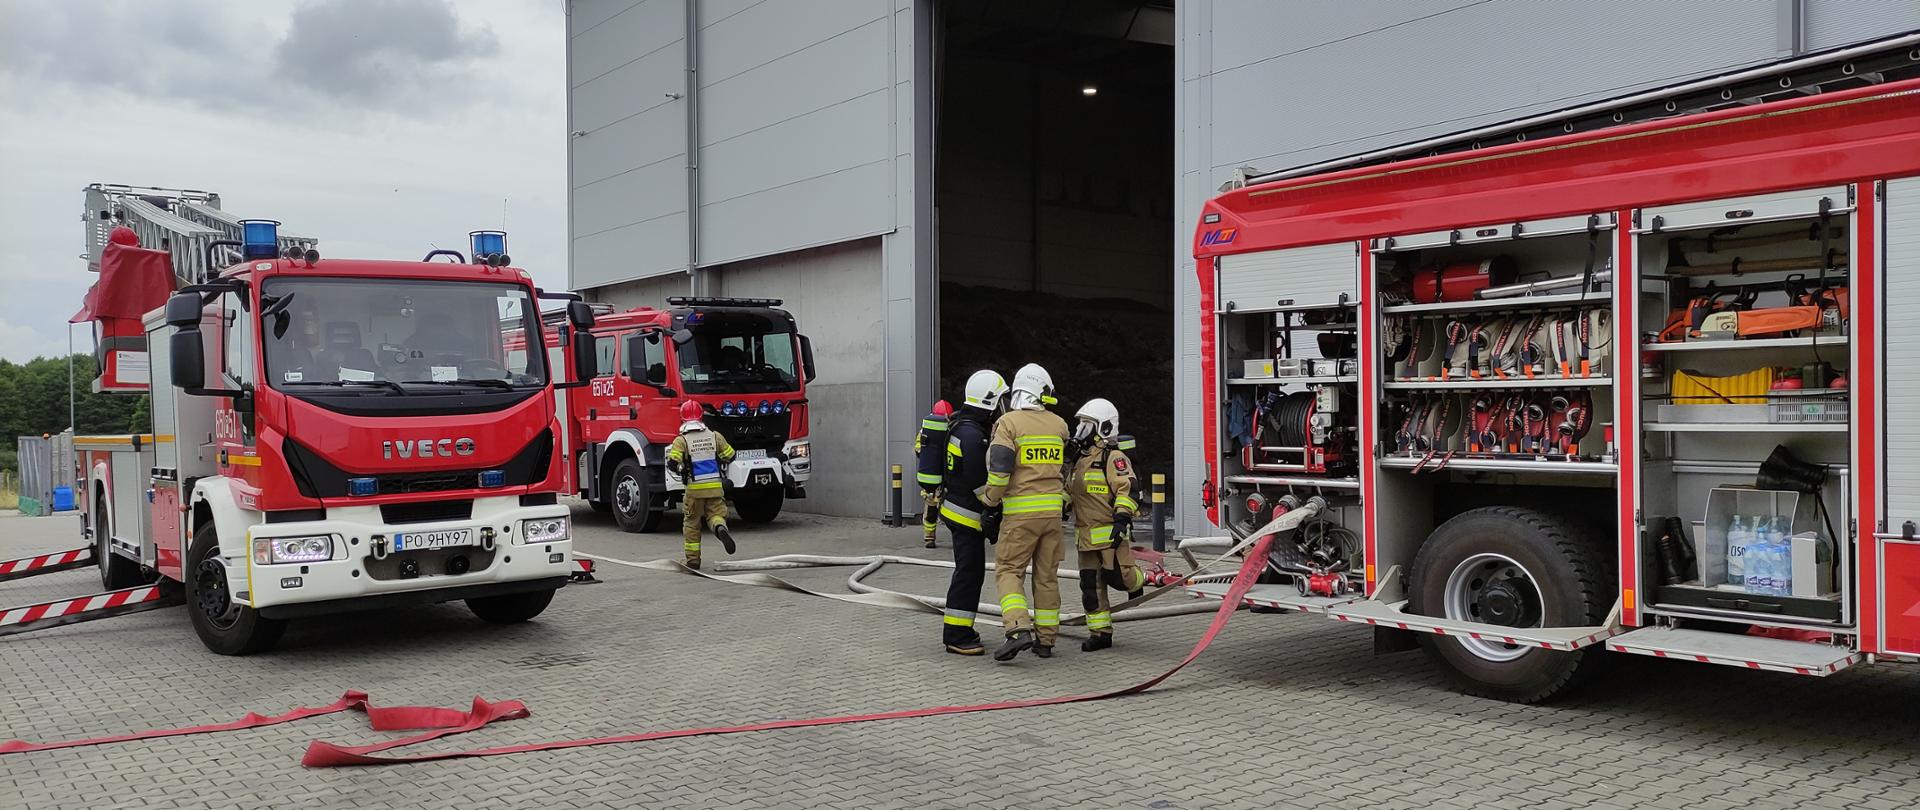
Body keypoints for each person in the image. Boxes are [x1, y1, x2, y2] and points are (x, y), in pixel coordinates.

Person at [982, 363, 1071, 661]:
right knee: (1047, 577)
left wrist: (990, 504)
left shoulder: (1008, 423)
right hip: (1052, 516)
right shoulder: (1060, 425)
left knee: (1009, 571)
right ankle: (1046, 640)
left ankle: (1018, 629)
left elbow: (999, 472)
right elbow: (1065, 469)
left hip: (1020, 516)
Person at [935, 373, 1007, 655]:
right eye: (1000, 399)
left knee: (968, 572)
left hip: (956, 508)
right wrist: (994, 510)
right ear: (989, 400)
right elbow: (980, 483)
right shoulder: (973, 435)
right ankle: (957, 634)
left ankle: (959, 630)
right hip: (966, 515)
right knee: (968, 573)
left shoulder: (961, 427)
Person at [1066, 398, 1142, 652]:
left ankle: (1139, 582)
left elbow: (1127, 488)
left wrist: (1122, 518)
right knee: (1090, 587)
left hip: (1110, 534)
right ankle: (1100, 633)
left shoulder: (1113, 457)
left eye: (1087, 426)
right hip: (1085, 537)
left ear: (1104, 428)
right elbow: (1070, 492)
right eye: (1081, 426)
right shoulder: (1079, 460)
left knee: (1120, 578)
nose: (1081, 432)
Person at [666, 400, 737, 569]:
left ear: (683, 418)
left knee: (692, 524)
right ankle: (720, 527)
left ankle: (693, 560)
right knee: (716, 516)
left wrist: (680, 467)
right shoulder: (714, 436)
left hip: (694, 491)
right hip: (715, 488)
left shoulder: (681, 440)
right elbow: (731, 455)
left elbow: (673, 462)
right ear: (701, 416)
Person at [914, 399, 955, 549]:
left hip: (930, 474)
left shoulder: (925, 430)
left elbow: (918, 449)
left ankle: (929, 537)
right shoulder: (951, 429)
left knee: (931, 506)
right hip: (946, 476)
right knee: (951, 507)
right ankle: (956, 536)